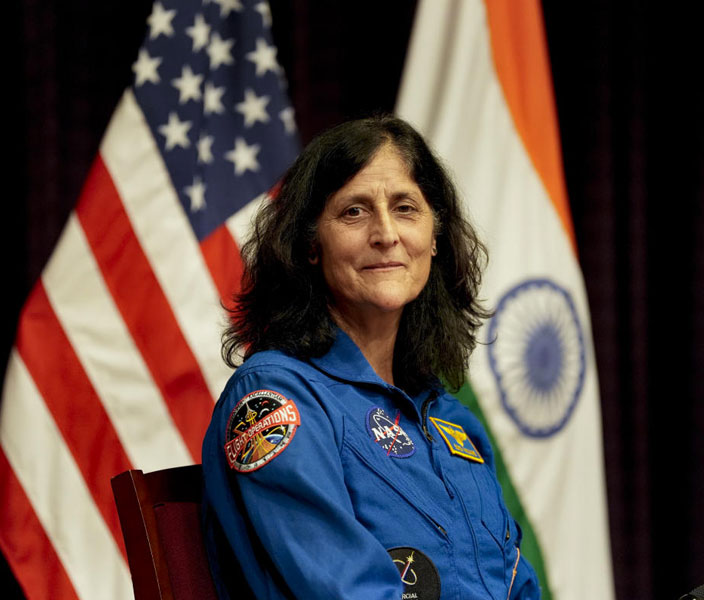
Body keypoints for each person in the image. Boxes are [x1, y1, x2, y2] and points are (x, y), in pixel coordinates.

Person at [201, 115, 541, 600]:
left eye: (405, 208)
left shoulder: (448, 416)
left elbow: (516, 585)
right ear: (310, 244)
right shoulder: (274, 400)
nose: (385, 233)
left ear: (435, 237)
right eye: (354, 212)